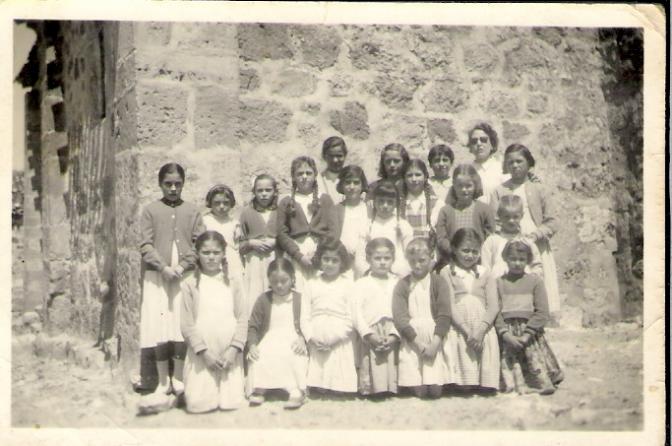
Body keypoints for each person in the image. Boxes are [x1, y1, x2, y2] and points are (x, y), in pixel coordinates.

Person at [139, 162, 204, 398]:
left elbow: (199, 243)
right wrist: (163, 267)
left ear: (183, 184)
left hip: (184, 276)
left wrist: (183, 266)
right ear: (160, 184)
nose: (173, 188)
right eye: (168, 184)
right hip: (157, 276)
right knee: (159, 325)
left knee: (180, 324)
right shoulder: (150, 210)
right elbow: (145, 244)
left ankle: (178, 378)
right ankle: (162, 381)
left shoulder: (192, 211)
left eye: (177, 184)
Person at [180, 231, 247, 412]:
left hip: (228, 353)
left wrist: (234, 349)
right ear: (198, 254)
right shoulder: (189, 283)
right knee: (198, 405)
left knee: (231, 404)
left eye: (216, 253)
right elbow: (186, 324)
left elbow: (242, 318)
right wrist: (204, 353)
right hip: (203, 355)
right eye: (206, 252)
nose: (211, 257)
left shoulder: (234, 281)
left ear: (223, 253)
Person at [490, 144, 561, 314]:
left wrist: (535, 236)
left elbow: (552, 222)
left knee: (537, 278)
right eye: (510, 162)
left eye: (519, 161)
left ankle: (541, 316)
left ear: (529, 163)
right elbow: (495, 222)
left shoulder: (539, 188)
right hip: (509, 242)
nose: (515, 165)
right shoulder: (499, 191)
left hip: (536, 242)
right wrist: (507, 239)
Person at [495, 240, 563, 395]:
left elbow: (542, 312)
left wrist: (527, 334)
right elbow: (495, 311)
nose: (517, 263)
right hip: (507, 333)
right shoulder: (498, 283)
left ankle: (538, 382)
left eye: (522, 259)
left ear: (528, 260)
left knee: (534, 360)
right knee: (509, 362)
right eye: (513, 259)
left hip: (529, 332)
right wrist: (505, 334)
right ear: (505, 258)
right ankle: (513, 383)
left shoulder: (535, 281)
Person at [441, 228, 500, 393]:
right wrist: (467, 331)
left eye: (475, 251)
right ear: (454, 249)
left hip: (482, 326)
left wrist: (480, 331)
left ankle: (483, 380)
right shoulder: (446, 272)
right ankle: (463, 381)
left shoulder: (486, 273)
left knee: (485, 386)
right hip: (460, 326)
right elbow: (449, 305)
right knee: (465, 386)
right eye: (465, 250)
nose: (470, 255)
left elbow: (493, 306)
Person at [392, 237, 452, 399]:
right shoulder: (403, 285)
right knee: (420, 392)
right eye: (413, 261)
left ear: (431, 258)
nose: (417, 265)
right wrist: (417, 343)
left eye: (422, 260)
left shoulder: (439, 282)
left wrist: (435, 344)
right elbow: (400, 318)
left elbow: (444, 314)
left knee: (435, 392)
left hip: (434, 337)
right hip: (413, 339)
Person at [247, 258, 308, 410]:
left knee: (294, 354)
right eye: (274, 282)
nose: (279, 285)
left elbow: (308, 322)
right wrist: (252, 345)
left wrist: (303, 339)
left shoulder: (300, 299)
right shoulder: (263, 299)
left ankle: (295, 391)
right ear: (269, 280)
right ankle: (260, 388)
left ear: (292, 278)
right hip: (270, 337)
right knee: (261, 354)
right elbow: (253, 326)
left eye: (284, 281)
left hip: (294, 337)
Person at [300, 238, 358, 395]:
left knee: (339, 380)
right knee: (318, 378)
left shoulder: (348, 285)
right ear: (319, 259)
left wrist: (335, 338)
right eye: (326, 259)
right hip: (316, 333)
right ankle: (318, 384)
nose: (330, 264)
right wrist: (311, 337)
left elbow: (350, 317)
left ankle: (338, 385)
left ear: (342, 262)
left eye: (335, 260)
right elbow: (304, 316)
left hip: (339, 334)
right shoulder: (311, 283)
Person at [277, 156, 336, 292]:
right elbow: (281, 233)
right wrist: (299, 256)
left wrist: (318, 254)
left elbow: (333, 230)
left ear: (315, 175)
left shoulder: (325, 199)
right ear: (293, 177)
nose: (304, 177)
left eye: (308, 173)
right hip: (296, 253)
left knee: (320, 290)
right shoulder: (286, 201)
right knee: (299, 290)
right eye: (299, 174)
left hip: (321, 252)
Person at [354, 238, 400, 397]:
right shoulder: (361, 284)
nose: (382, 262)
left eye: (387, 258)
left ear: (393, 259)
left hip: (392, 329)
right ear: (368, 259)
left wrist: (394, 335)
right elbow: (356, 312)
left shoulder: (397, 282)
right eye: (377, 258)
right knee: (371, 360)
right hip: (371, 331)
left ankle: (392, 387)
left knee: (391, 359)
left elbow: (403, 311)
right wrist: (368, 334)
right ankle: (371, 388)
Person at [435, 164, 496, 271]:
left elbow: (490, 236)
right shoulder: (446, 211)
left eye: (468, 186)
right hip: (452, 262)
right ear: (454, 186)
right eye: (460, 186)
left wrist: (474, 252)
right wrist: (456, 252)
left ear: (475, 185)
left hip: (478, 261)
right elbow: (441, 238)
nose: (464, 190)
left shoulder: (484, 209)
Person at [239, 174, 280, 311]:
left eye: (268, 190)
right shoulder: (246, 213)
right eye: (260, 190)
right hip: (254, 262)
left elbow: (289, 237)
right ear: (254, 192)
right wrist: (251, 243)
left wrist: (276, 241)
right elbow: (239, 244)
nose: (264, 194)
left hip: (275, 259)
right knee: (255, 294)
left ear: (275, 191)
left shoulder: (281, 212)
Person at [357, 180, 414, 277]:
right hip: (372, 275)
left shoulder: (403, 225)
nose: (385, 205)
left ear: (396, 203)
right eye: (381, 201)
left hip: (398, 275)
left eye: (390, 202)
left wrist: (401, 273)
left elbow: (410, 255)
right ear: (374, 202)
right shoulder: (367, 225)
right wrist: (368, 273)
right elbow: (360, 257)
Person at [481, 194, 543, 279]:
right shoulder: (492, 241)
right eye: (507, 217)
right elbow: (485, 268)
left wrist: (532, 279)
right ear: (499, 215)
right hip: (498, 284)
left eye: (515, 217)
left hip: (523, 284)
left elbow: (537, 266)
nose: (511, 220)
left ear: (522, 216)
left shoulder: (527, 242)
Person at [331, 165, 370, 279]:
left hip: (365, 262)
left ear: (362, 185)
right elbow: (333, 237)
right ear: (341, 186)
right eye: (347, 182)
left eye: (356, 183)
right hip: (343, 262)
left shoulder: (369, 208)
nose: (352, 187)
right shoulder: (336, 209)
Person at [202, 184, 244, 283]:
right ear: (210, 203)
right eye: (217, 203)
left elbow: (237, 247)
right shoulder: (204, 221)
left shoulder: (235, 223)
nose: (221, 206)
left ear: (231, 203)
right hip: (212, 261)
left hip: (232, 263)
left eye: (226, 203)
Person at [465, 122, 509, 205]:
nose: (479, 144)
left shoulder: (501, 169)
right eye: (474, 141)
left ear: (492, 144)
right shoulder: (466, 171)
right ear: (470, 147)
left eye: (483, 140)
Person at [400, 159, 440, 241]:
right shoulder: (398, 204)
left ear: (425, 177)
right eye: (409, 175)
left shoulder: (436, 204)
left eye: (418, 175)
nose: (414, 179)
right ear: (404, 178)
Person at [316, 136, 348, 203]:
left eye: (339, 156)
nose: (335, 160)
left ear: (345, 155)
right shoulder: (317, 181)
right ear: (324, 156)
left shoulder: (353, 180)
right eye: (331, 156)